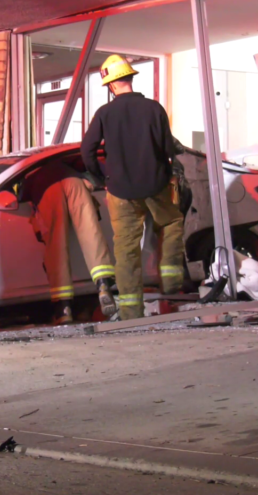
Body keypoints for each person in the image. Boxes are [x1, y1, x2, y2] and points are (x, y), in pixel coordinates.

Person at [80, 55, 185, 321]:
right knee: (172, 223)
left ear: (111, 85)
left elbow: (87, 150)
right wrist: (165, 169)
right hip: (156, 185)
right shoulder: (154, 108)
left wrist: (101, 177)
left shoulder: (105, 113)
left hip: (120, 191)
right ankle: (172, 281)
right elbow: (166, 147)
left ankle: (130, 311)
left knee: (126, 250)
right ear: (129, 78)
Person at [20, 159, 116, 323]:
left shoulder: (28, 175)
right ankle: (103, 285)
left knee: (56, 246)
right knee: (91, 232)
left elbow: (21, 198)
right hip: (75, 182)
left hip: (48, 189)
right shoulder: (65, 165)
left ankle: (63, 310)